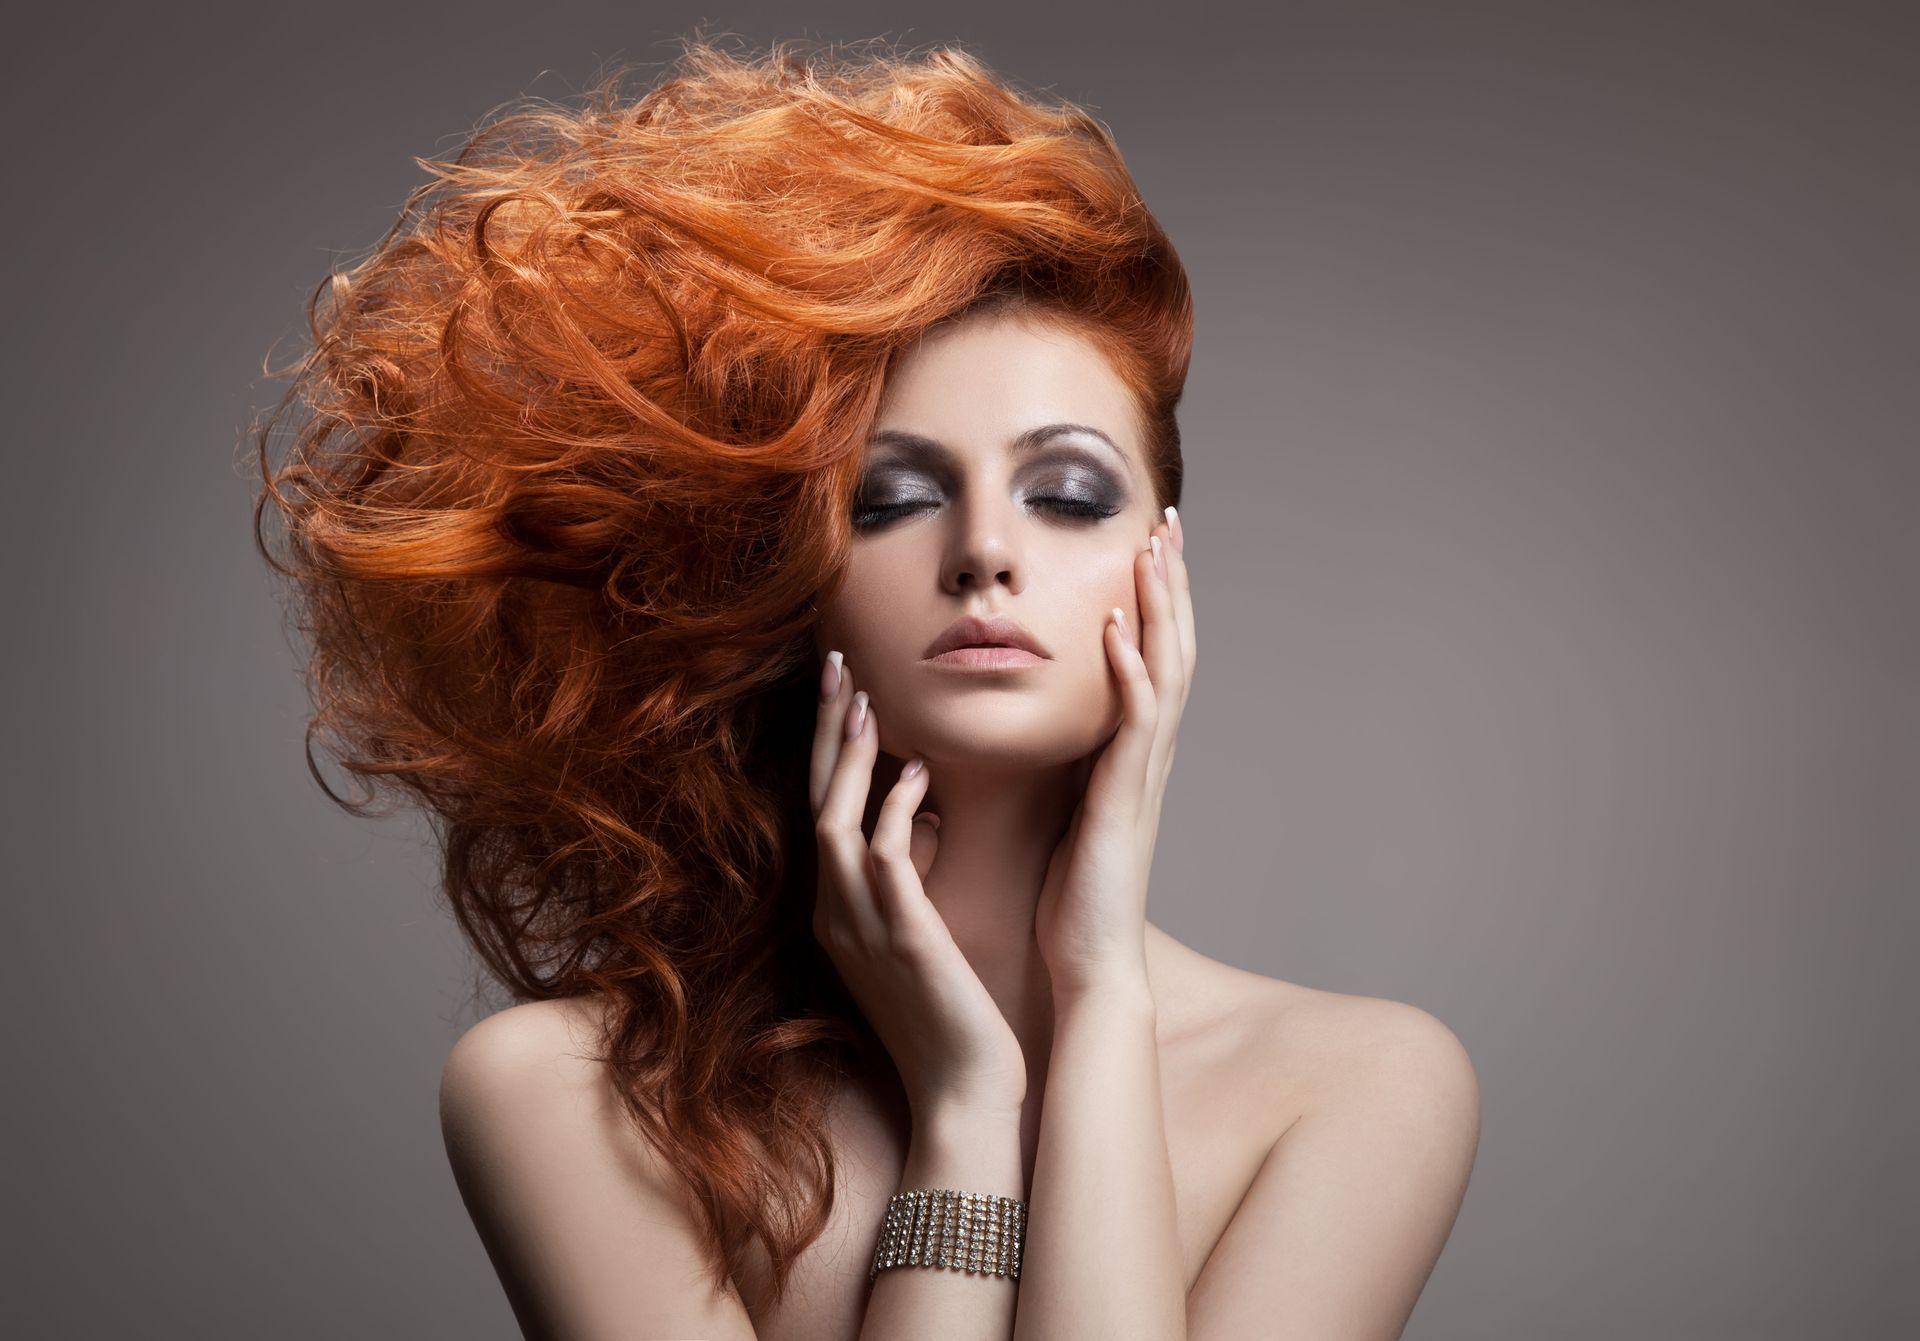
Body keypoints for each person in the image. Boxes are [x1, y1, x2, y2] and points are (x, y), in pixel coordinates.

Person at [251, 34, 1479, 1340]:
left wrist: (1102, 992)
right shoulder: (572, 1097)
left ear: (1163, 563)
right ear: (786, 580)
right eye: (889, 498)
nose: (986, 551)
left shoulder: (1359, 1087)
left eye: (1068, 493)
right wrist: (965, 1107)